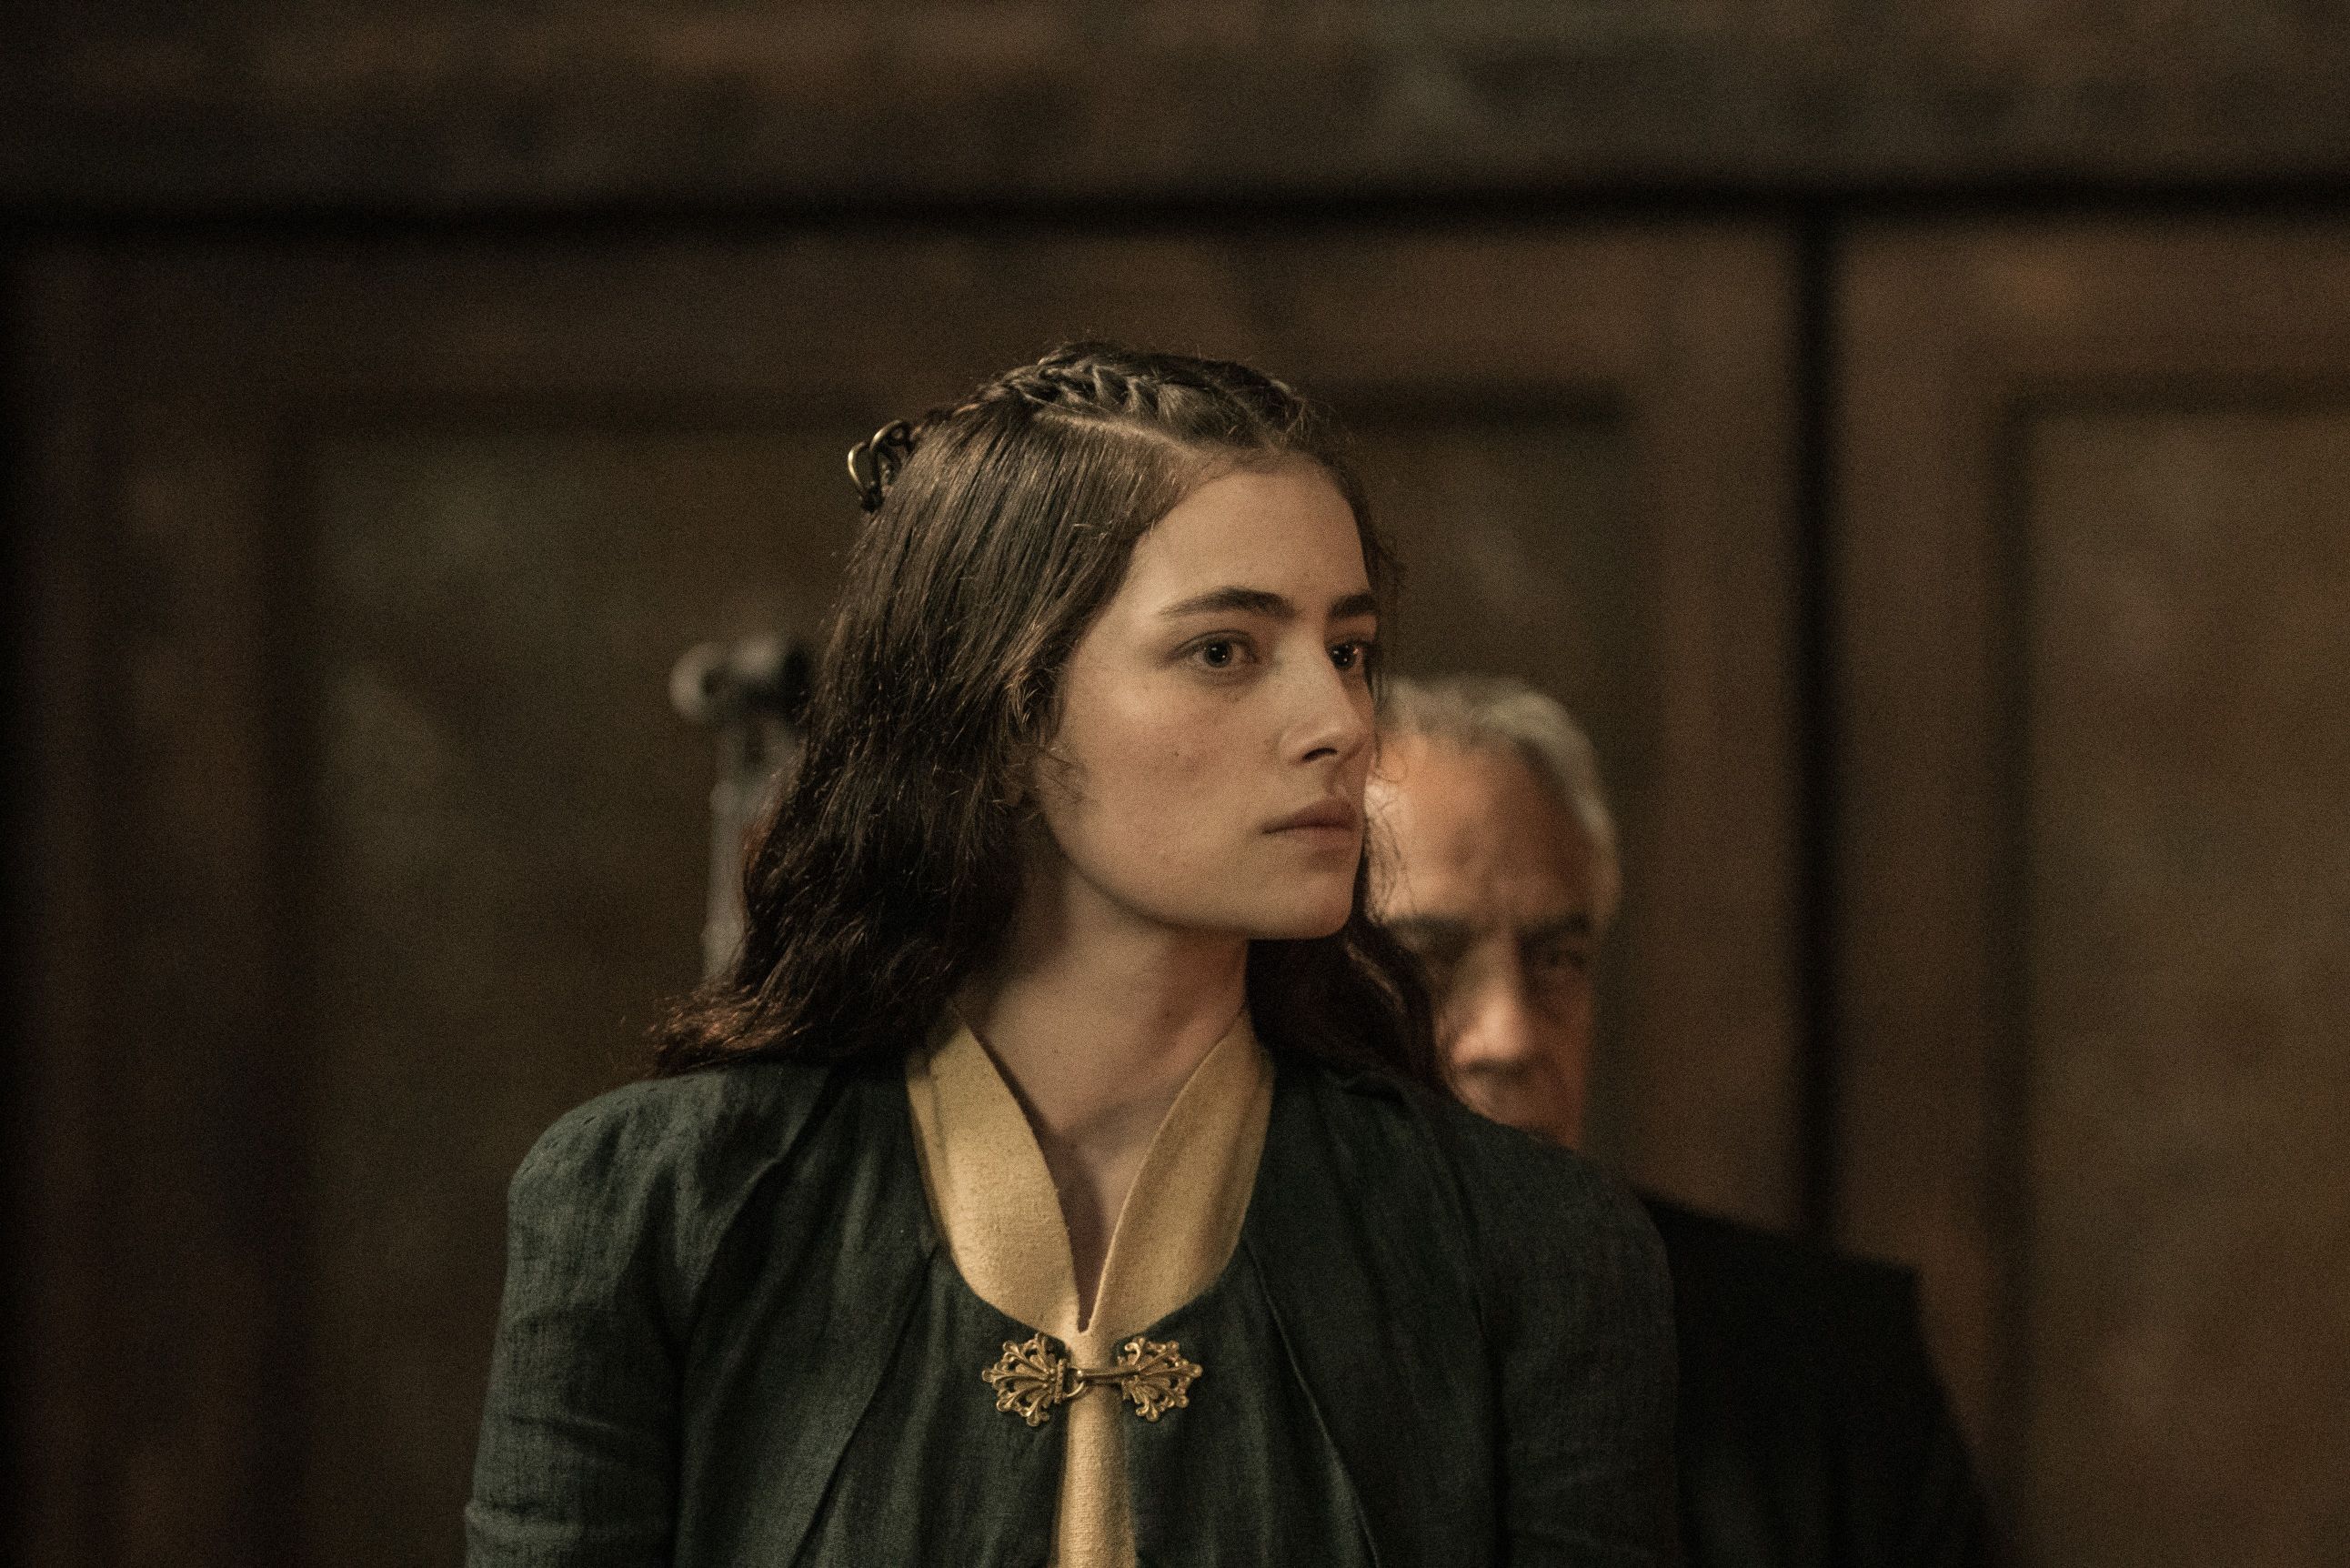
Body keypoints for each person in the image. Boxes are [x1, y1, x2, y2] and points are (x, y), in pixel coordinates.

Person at [467, 347, 1677, 1567]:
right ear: (1006, 713)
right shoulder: (652, 1208)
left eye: (1348, 650)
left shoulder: (1528, 1250)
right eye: (1225, 651)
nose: (1340, 724)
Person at [1370, 674, 1990, 1568]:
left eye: (1557, 960)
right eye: (1425, 963)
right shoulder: (1202, 1347)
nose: (1511, 1037)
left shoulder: (1829, 1369)